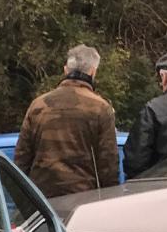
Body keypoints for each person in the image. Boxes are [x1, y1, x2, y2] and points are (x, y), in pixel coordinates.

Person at [12, 44, 120, 198]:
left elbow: (21, 159)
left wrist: (24, 202)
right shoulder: (100, 108)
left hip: (43, 202)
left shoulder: (38, 105)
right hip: (83, 200)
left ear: (65, 70)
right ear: (93, 72)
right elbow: (108, 165)